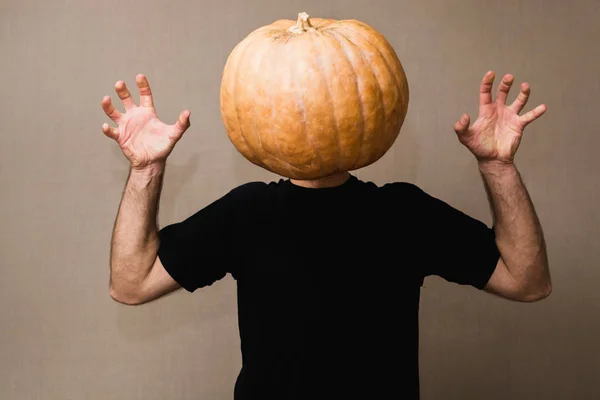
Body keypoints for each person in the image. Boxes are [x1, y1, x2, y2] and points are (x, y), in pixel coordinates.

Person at [101, 71, 551, 399]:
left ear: (360, 114)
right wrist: (147, 167)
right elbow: (130, 282)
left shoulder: (403, 212)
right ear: (272, 118)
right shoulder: (246, 212)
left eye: (330, 104)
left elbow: (526, 281)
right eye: (299, 108)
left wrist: (497, 166)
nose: (314, 119)